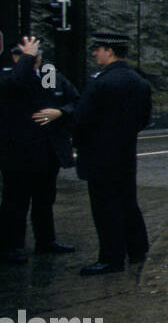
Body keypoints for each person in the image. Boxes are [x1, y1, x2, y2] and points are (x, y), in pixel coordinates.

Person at [36, 30, 152, 276]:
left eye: (98, 49)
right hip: (125, 152)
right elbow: (144, 119)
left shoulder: (101, 82)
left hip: (99, 153)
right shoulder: (139, 81)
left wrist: (77, 138)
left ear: (109, 51)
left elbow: (82, 118)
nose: (95, 53)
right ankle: (137, 248)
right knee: (127, 200)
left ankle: (111, 258)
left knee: (105, 206)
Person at [0, 37, 79, 264]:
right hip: (18, 153)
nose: (35, 60)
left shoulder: (49, 75)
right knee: (15, 202)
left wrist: (61, 112)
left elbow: (74, 99)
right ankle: (10, 246)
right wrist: (25, 60)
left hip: (47, 151)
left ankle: (46, 241)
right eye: (26, 55)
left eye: (37, 55)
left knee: (45, 200)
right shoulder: (9, 76)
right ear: (15, 56)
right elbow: (17, 83)